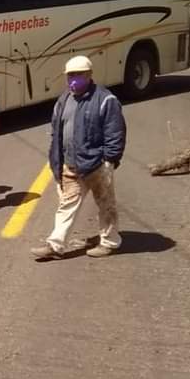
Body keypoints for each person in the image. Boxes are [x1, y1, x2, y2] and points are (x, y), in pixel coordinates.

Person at [31, 55, 126, 260]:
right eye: (70, 75)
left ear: (89, 75)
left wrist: (109, 161)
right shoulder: (64, 99)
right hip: (70, 165)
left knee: (106, 204)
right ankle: (55, 245)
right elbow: (56, 131)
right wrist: (56, 160)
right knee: (66, 205)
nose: (73, 79)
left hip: (96, 165)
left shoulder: (105, 100)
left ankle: (110, 241)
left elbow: (115, 133)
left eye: (78, 75)